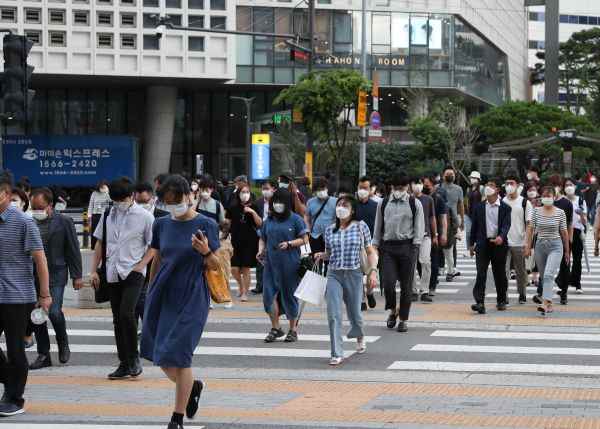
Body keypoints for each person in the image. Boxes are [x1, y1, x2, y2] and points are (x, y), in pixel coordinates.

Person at [140, 175, 220, 429]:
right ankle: (192, 386)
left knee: (181, 355)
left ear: (188, 195)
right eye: (168, 203)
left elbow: (216, 265)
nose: (174, 206)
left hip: (193, 293)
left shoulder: (206, 224)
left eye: (177, 201)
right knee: (161, 355)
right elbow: (158, 258)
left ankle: (177, 418)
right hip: (164, 292)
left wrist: (206, 251)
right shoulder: (161, 224)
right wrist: (151, 290)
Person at [90, 177, 155, 380]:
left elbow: (153, 246)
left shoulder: (145, 217)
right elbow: (100, 243)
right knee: (118, 319)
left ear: (132, 196)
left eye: (123, 199)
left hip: (134, 272)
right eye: (116, 200)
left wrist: (141, 266)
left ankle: (134, 359)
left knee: (127, 313)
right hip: (112, 272)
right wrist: (93, 270)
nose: (120, 204)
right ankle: (124, 363)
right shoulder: (108, 214)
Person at [0, 172, 51, 416]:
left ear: (6, 194)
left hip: (17, 296)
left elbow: (40, 259)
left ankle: (15, 398)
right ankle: (11, 380)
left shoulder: (23, 222)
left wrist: (45, 294)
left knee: (15, 349)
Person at [315, 195, 378, 365]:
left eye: (345, 205)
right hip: (334, 274)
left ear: (352, 210)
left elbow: (370, 251)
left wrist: (372, 271)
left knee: (355, 313)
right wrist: (322, 255)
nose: (341, 208)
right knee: (333, 314)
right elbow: (329, 253)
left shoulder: (360, 227)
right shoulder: (329, 230)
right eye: (339, 205)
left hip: (354, 274)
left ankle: (359, 334)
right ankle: (337, 353)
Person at [27, 188, 83, 370]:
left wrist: (77, 276)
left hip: (56, 273)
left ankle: (63, 342)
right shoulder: (27, 221)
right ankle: (43, 354)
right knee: (37, 314)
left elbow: (73, 249)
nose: (37, 210)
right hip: (32, 274)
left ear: (50, 205)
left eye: (40, 207)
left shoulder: (64, 221)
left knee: (54, 311)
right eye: (34, 207)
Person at [373, 174, 424, 333]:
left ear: (407, 188)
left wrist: (415, 247)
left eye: (401, 188)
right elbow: (378, 226)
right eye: (396, 188)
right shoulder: (383, 203)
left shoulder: (414, 203)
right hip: (388, 248)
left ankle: (403, 319)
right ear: (391, 188)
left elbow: (419, 228)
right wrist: (375, 245)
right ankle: (393, 310)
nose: (398, 191)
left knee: (406, 286)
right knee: (388, 283)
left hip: (407, 247)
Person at [257, 188, 308, 343]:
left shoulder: (296, 219)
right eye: (275, 201)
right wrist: (260, 250)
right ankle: (276, 328)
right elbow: (262, 238)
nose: (278, 204)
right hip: (270, 265)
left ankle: (293, 330)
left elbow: (305, 239)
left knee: (289, 296)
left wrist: (290, 243)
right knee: (268, 296)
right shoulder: (269, 220)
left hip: (290, 265)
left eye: (281, 201)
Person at [469, 179, 511, 314]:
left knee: (499, 273)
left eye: (491, 186)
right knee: (481, 273)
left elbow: (506, 225)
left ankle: (501, 300)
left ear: (497, 190)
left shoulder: (505, 208)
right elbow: (474, 226)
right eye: (487, 185)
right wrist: (471, 244)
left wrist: (501, 237)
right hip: (482, 244)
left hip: (499, 244)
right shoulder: (479, 207)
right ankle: (479, 302)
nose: (488, 187)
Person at [525, 186, 570, 315]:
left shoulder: (560, 213)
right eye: (544, 196)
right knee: (544, 276)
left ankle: (544, 303)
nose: (546, 198)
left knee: (549, 274)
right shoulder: (536, 211)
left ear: (554, 197)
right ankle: (549, 304)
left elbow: (564, 232)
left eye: (549, 196)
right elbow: (530, 229)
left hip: (556, 246)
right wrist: (528, 246)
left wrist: (567, 251)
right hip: (540, 246)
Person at [227, 182, 262, 302]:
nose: (245, 194)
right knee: (234, 268)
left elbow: (259, 223)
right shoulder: (232, 207)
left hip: (250, 241)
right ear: (238, 194)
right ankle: (241, 285)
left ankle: (245, 293)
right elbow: (228, 223)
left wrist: (252, 212)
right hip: (235, 240)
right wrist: (225, 233)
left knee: (246, 268)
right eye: (243, 192)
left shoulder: (254, 206)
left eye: (247, 192)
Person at [502, 174, 533, 305]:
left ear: (517, 185)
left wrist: (527, 243)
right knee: (504, 271)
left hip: (519, 242)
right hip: (504, 242)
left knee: (521, 271)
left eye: (512, 183)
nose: (509, 186)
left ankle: (522, 293)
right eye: (507, 183)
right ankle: (504, 295)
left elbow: (529, 224)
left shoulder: (525, 202)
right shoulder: (502, 201)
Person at [411, 177, 437, 303]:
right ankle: (413, 290)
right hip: (410, 236)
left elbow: (432, 217)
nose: (417, 185)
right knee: (411, 264)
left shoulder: (428, 199)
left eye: (419, 183)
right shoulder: (407, 199)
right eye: (415, 183)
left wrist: (435, 235)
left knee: (426, 262)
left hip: (426, 235)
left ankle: (424, 290)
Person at [548, 176, 573, 305]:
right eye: (552, 185)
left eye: (556, 185)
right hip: (547, 238)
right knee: (547, 267)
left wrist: (569, 241)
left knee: (565, 266)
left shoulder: (567, 203)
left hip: (563, 238)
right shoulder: (547, 201)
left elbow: (570, 224)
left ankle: (564, 292)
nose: (554, 188)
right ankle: (544, 293)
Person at [355, 176, 379, 310]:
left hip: (371, 245)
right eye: (360, 187)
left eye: (365, 188)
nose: (362, 190)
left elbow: (380, 226)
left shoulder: (376, 206)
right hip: (355, 245)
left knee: (371, 272)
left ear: (370, 190)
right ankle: (361, 299)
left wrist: (378, 245)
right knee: (357, 273)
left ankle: (369, 292)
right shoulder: (352, 206)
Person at [423, 175, 448, 296]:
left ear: (433, 186)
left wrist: (443, 234)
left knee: (433, 261)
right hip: (421, 234)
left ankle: (431, 286)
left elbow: (443, 218)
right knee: (421, 262)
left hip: (434, 234)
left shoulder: (438, 200)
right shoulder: (419, 198)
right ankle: (426, 283)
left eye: (427, 186)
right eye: (423, 185)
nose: (425, 188)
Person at [252, 179, 278, 295]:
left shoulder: (278, 202)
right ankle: (259, 285)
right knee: (260, 258)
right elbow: (253, 219)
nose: (265, 191)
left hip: (275, 233)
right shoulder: (258, 202)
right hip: (261, 232)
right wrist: (258, 230)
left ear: (274, 189)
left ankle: (275, 284)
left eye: (267, 188)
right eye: (263, 189)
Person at [440, 167, 463, 282]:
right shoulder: (438, 188)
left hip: (453, 220)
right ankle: (441, 267)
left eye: (452, 174)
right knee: (441, 246)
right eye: (448, 173)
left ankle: (452, 268)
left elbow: (460, 205)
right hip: (440, 219)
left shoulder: (458, 189)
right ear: (443, 176)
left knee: (452, 245)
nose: (450, 175)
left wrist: (461, 221)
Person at [305, 177, 338, 257]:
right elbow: (307, 216)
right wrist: (307, 230)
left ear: (327, 188)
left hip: (330, 236)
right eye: (318, 190)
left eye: (322, 189)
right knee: (315, 259)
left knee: (329, 259)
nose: (321, 192)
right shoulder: (310, 202)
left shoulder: (336, 201)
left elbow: (338, 219)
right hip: (315, 236)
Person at [565, 178, 587, 294]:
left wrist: (581, 214)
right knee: (565, 259)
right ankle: (564, 283)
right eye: (566, 185)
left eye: (571, 184)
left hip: (577, 231)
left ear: (575, 187)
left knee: (577, 259)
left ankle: (577, 283)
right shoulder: (562, 200)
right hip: (564, 232)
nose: (568, 187)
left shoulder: (581, 200)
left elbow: (584, 221)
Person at [88, 180, 111, 250]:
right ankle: (94, 246)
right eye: (102, 186)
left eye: (104, 186)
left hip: (104, 214)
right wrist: (89, 216)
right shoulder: (94, 193)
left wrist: (107, 192)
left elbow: (111, 201)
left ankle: (103, 246)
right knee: (94, 231)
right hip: (95, 214)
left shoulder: (107, 193)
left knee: (104, 231)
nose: (103, 188)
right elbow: (91, 205)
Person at [465, 171, 482, 248]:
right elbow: (466, 201)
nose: (472, 179)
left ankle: (477, 248)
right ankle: (469, 248)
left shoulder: (481, 188)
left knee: (478, 232)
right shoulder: (468, 189)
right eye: (471, 178)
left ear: (478, 179)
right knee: (468, 232)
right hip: (468, 214)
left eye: (474, 178)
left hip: (478, 214)